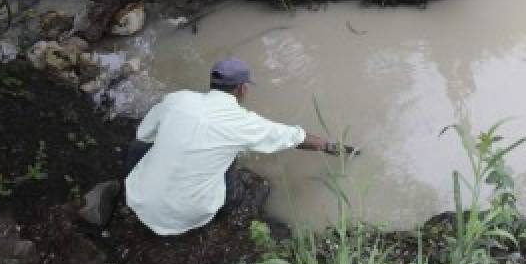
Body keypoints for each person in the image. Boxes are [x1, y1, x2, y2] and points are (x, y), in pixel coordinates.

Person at [78, 58, 354, 234]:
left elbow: (144, 133)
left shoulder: (178, 100)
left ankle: (138, 190)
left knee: (140, 145)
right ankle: (226, 207)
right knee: (231, 155)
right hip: (188, 216)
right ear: (243, 89)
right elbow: (296, 137)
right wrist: (332, 147)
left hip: (139, 200)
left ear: (212, 82)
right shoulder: (243, 122)